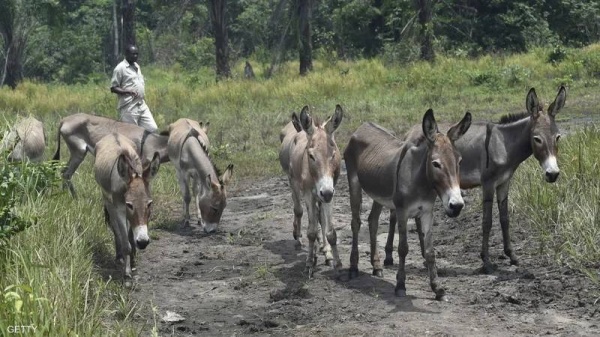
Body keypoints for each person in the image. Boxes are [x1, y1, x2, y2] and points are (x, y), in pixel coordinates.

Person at [110, 45, 158, 132]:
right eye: (133, 54)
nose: (135, 56)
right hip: (129, 106)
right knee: (131, 133)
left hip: (141, 104)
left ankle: (143, 144)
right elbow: (113, 88)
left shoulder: (137, 66)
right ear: (127, 54)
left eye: (137, 54)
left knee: (152, 128)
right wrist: (127, 91)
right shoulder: (120, 68)